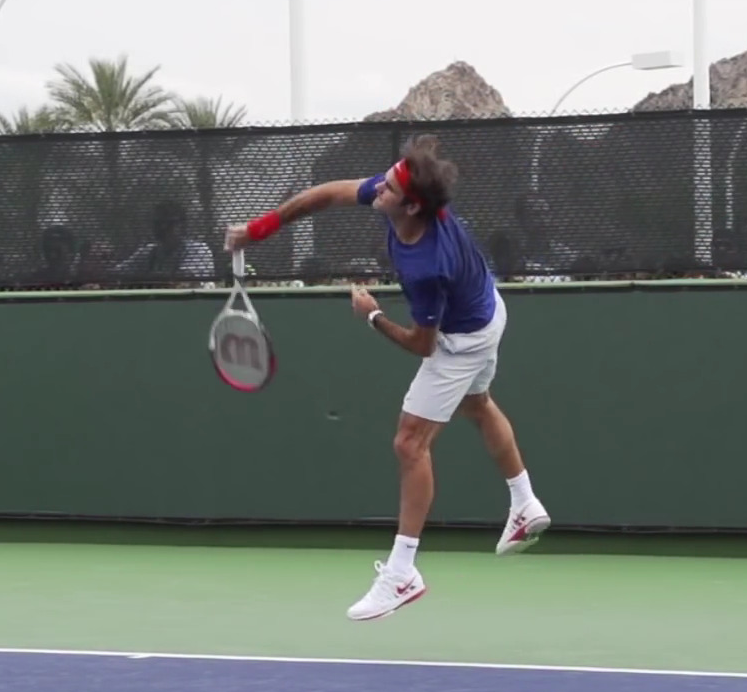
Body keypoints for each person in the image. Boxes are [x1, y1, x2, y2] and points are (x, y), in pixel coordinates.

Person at [226, 134, 549, 621]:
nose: (378, 188)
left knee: (410, 443)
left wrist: (373, 316)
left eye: (390, 188)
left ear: (413, 206)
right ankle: (524, 501)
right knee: (477, 404)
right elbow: (326, 194)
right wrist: (260, 228)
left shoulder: (427, 266)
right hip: (488, 309)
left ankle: (402, 573)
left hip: (461, 339)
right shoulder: (403, 198)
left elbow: (424, 345)